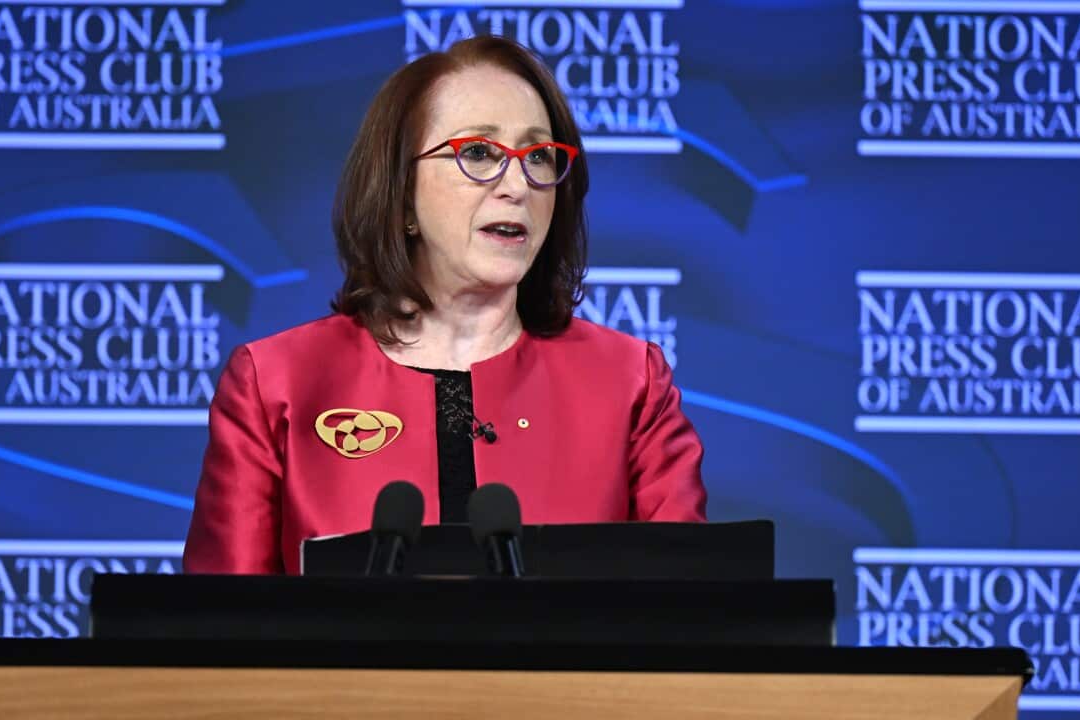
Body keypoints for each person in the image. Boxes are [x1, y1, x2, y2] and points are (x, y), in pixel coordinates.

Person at [183, 35, 705, 574]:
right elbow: (219, 632)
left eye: (540, 156)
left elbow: (688, 614)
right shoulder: (277, 386)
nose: (517, 185)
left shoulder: (630, 385)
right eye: (478, 152)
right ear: (402, 191)